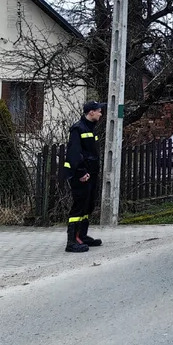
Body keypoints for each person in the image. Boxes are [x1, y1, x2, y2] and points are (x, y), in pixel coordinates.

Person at [62, 101, 105, 253]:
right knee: (79, 206)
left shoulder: (91, 129)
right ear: (91, 112)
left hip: (91, 174)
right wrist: (80, 173)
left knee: (88, 205)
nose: (101, 113)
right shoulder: (77, 128)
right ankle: (72, 241)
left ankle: (82, 236)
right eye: (99, 111)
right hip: (81, 175)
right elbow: (74, 153)